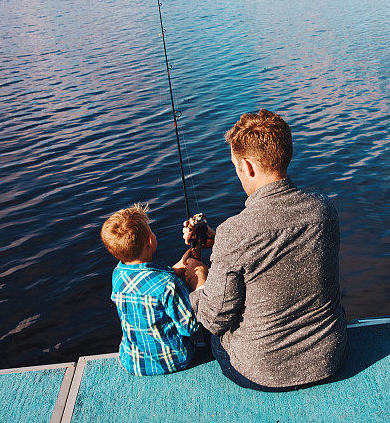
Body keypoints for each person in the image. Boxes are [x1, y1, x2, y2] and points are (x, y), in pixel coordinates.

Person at [183, 109, 347, 391]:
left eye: (235, 166)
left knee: (209, 331)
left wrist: (198, 279)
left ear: (247, 166)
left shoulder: (235, 232)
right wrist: (216, 240)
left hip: (262, 372)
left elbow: (215, 318)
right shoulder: (324, 209)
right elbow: (275, 243)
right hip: (330, 358)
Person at [101, 203, 199, 376]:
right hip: (174, 360)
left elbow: (147, 281)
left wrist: (177, 268)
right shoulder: (169, 285)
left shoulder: (118, 275)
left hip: (132, 361)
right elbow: (189, 328)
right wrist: (195, 284)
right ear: (150, 240)